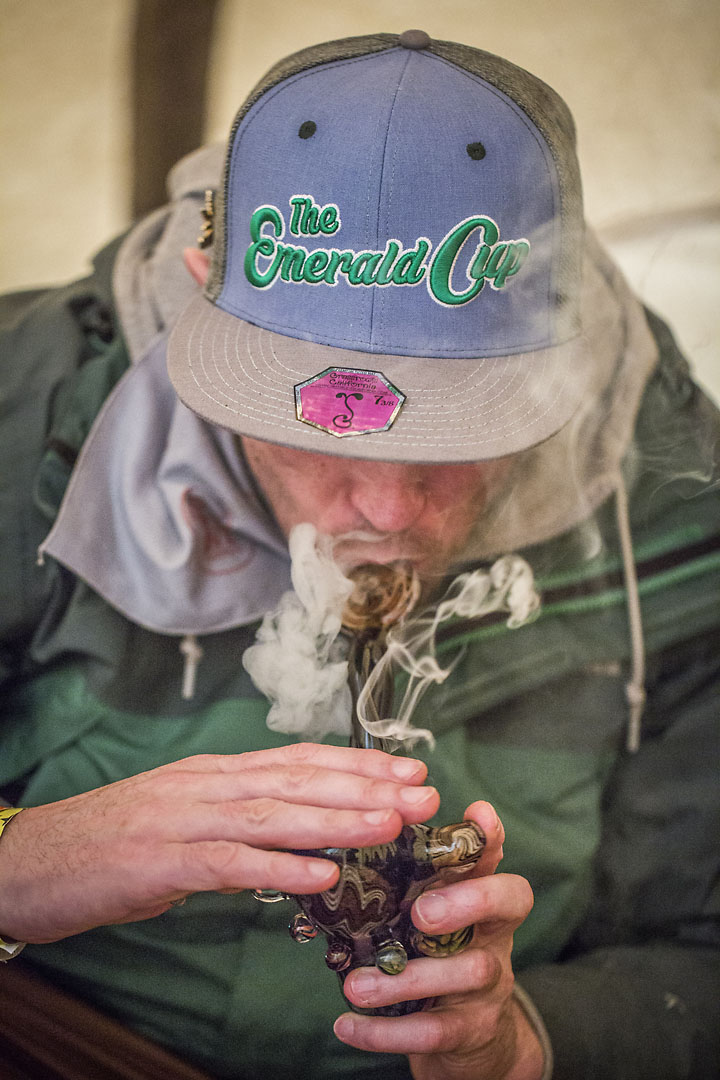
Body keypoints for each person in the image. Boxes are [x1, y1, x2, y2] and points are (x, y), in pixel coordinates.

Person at [0, 29, 718, 1080]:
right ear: (207, 288)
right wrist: (20, 861)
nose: (384, 507)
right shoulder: (25, 405)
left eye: (458, 436)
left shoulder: (670, 495)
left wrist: (529, 1044)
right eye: (316, 421)